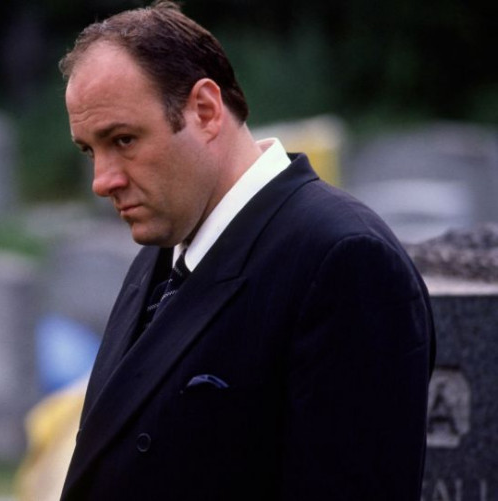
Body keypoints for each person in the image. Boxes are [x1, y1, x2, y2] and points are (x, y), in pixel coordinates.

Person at [58, 2, 436, 499]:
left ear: (205, 110)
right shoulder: (166, 248)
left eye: (124, 140)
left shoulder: (344, 260)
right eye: (90, 150)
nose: (101, 181)